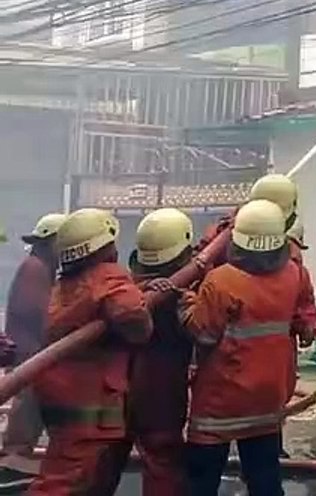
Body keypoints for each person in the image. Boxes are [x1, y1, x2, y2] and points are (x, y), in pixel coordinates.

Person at [180, 199, 303, 496]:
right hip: (267, 401)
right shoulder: (293, 274)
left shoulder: (221, 281)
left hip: (220, 404)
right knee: (265, 481)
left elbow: (205, 335)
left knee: (202, 483)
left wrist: (186, 304)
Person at [30, 208, 153, 495]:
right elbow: (134, 319)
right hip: (88, 403)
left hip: (60, 395)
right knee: (63, 481)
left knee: (75, 473)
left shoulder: (66, 285)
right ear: (105, 246)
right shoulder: (107, 277)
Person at [197, 174, 316, 348]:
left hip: (241, 357)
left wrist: (311, 323)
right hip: (240, 353)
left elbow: (300, 298)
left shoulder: (220, 241)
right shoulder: (290, 258)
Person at [125, 208, 198, 495]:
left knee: (104, 463)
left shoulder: (127, 288)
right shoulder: (181, 293)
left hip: (120, 392)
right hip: (162, 394)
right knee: (163, 463)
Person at [2, 213, 64, 457]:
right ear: (53, 243)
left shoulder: (40, 267)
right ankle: (12, 466)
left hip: (30, 359)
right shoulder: (35, 269)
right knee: (24, 423)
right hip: (29, 360)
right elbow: (43, 314)